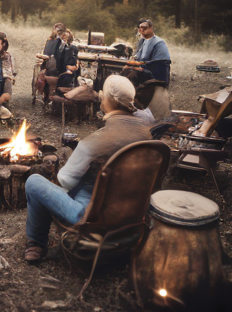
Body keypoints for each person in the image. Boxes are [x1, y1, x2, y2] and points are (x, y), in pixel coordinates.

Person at [24, 75, 152, 263]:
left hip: (94, 219)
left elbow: (65, 179)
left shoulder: (95, 142)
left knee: (34, 182)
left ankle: (36, 243)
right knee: (85, 182)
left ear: (106, 100)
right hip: (132, 214)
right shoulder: (146, 134)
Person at [134, 19, 171, 85]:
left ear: (151, 28)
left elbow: (159, 64)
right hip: (142, 71)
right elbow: (137, 56)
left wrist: (139, 66)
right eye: (140, 28)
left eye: (145, 28)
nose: (142, 30)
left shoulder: (159, 43)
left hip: (154, 76)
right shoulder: (141, 42)